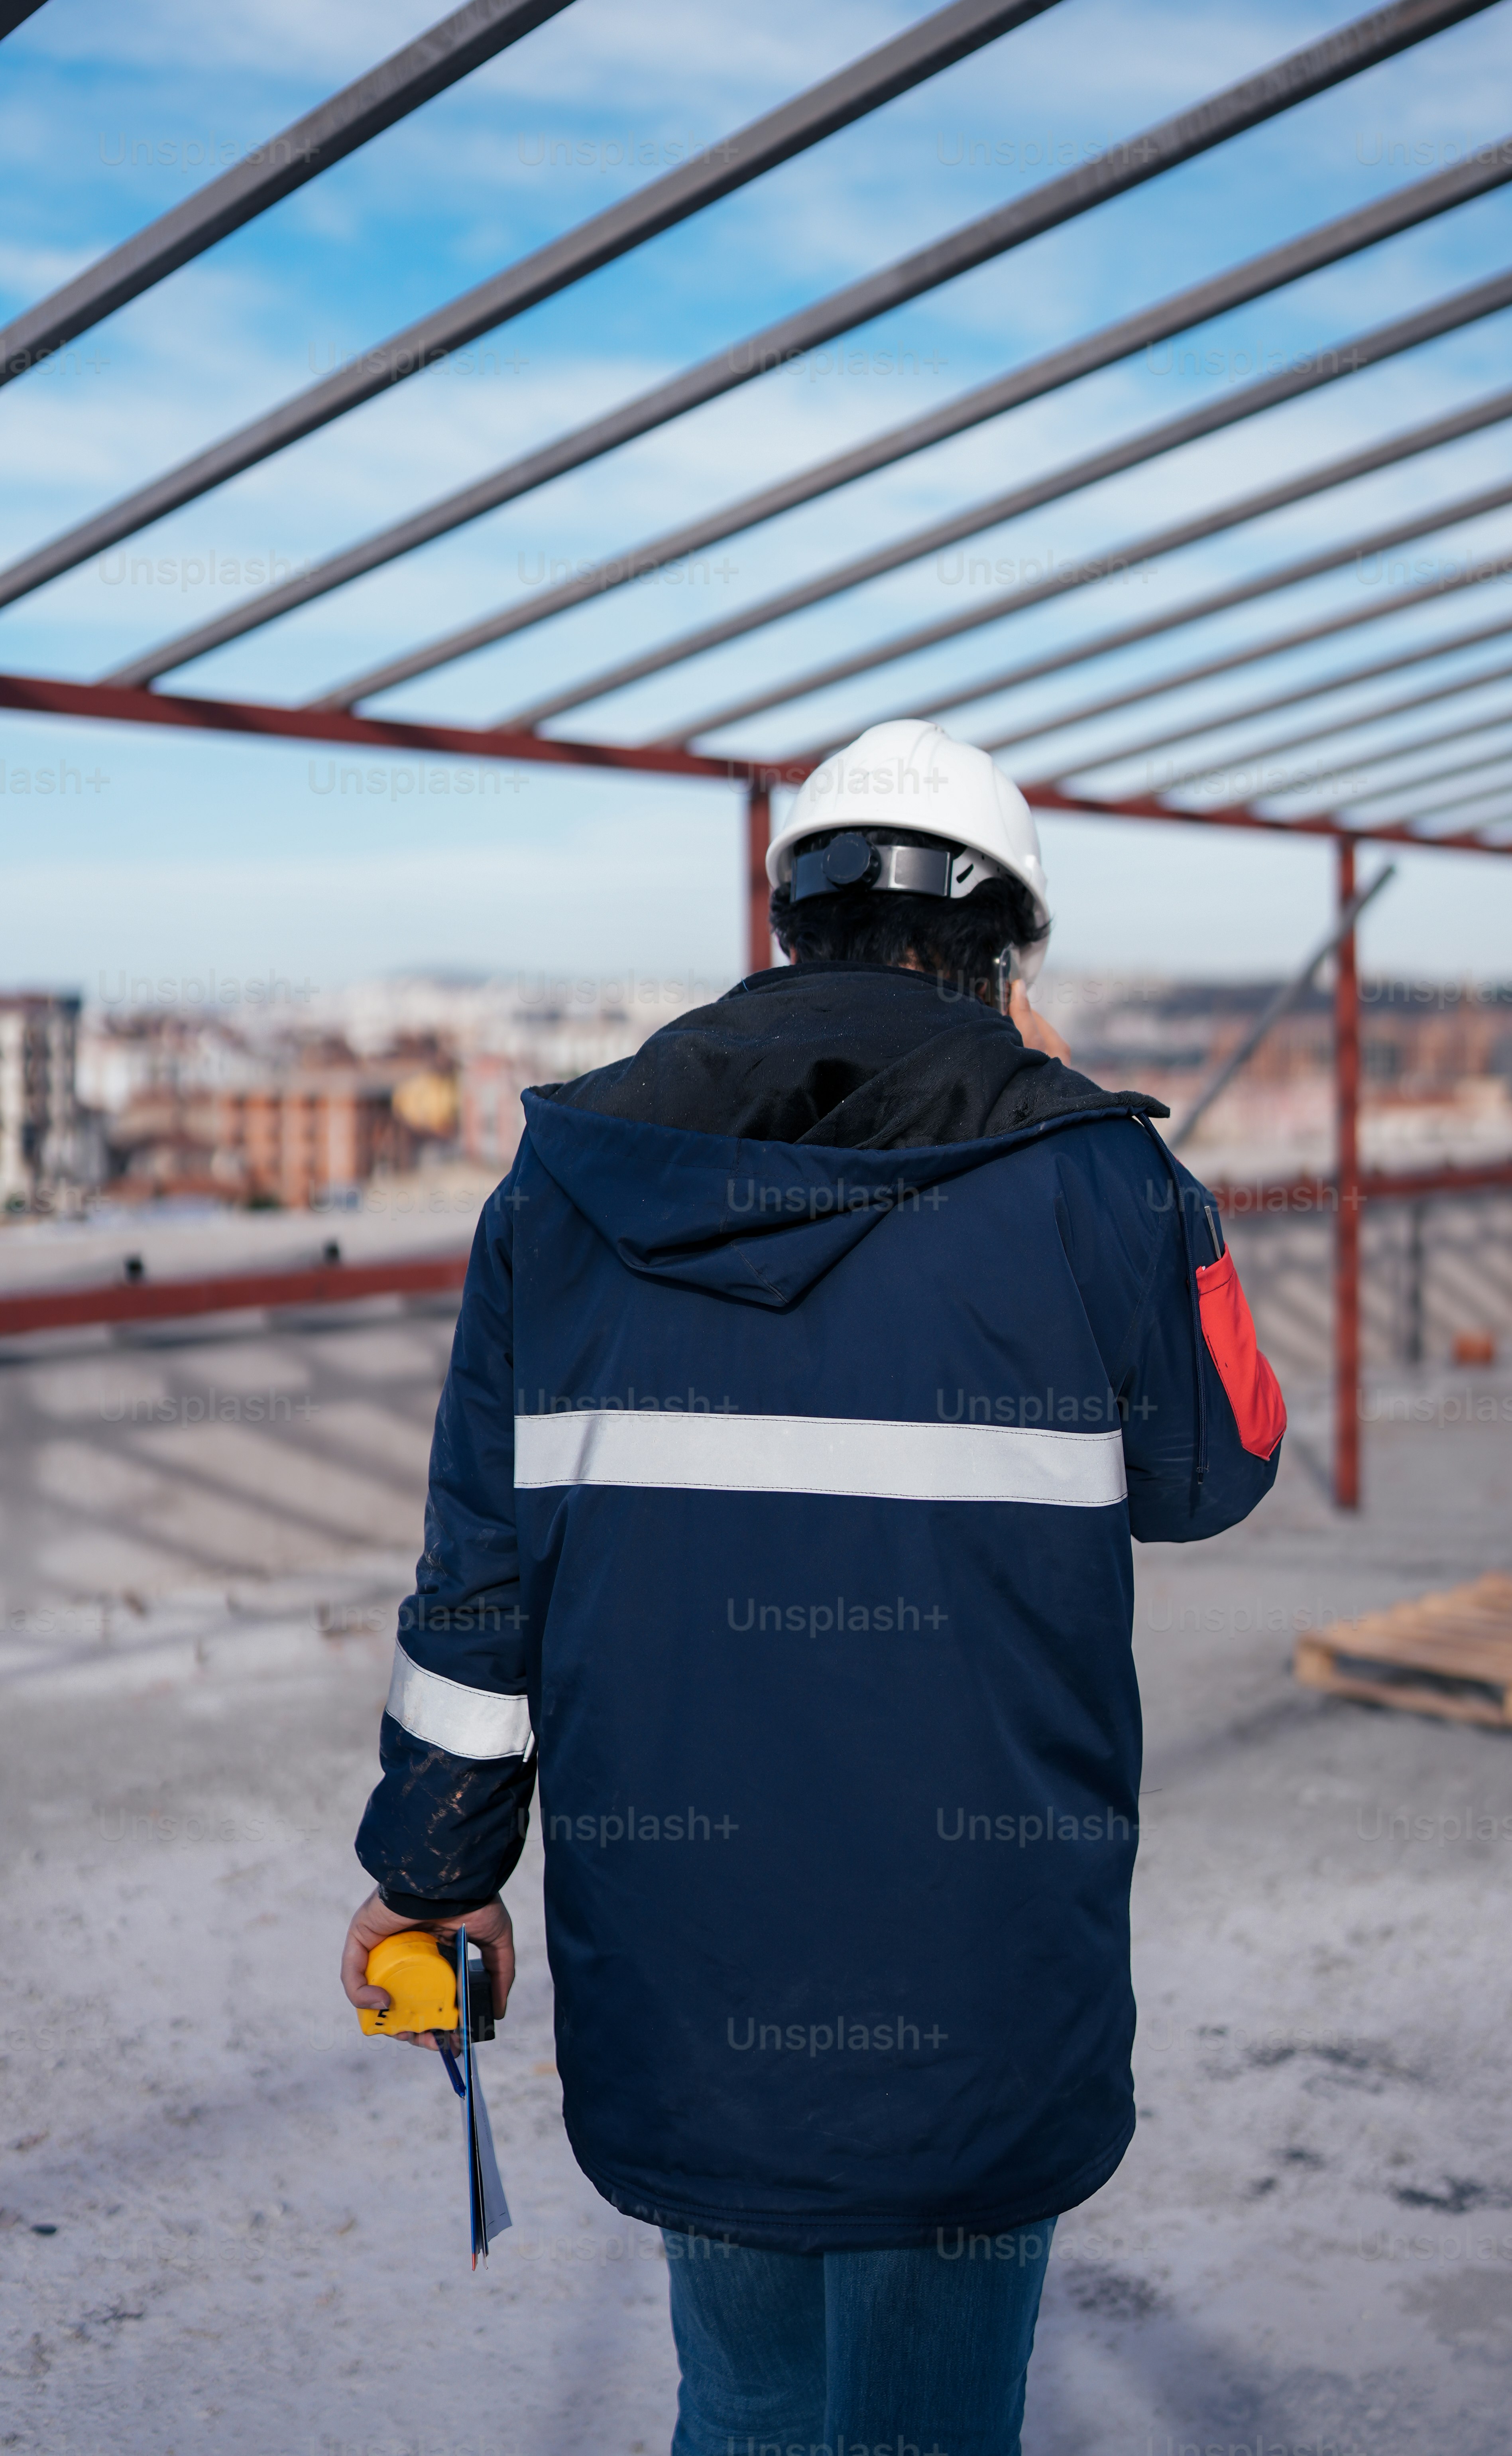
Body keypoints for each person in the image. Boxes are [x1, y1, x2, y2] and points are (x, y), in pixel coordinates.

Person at [340, 718, 1284, 2456]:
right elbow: (1216, 1468)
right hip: (985, 1973)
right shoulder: (1095, 1177)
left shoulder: (563, 1184)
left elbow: (480, 1591)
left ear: (793, 921)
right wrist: (1133, 1162)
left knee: (750, 2404)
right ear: (1001, 949)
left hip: (689, 1959)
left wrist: (431, 1875)